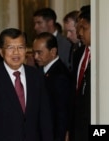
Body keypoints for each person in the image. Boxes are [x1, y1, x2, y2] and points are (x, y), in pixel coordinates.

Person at [0, 28, 53, 141]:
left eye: (20, 47)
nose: (16, 52)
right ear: (1, 52)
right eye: (10, 48)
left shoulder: (36, 76)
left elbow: (44, 116)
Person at [33, 32, 71, 141]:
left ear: (53, 52)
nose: (35, 57)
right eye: (34, 53)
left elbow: (61, 113)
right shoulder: (41, 70)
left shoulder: (60, 75)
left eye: (39, 53)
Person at [69, 5, 91, 141]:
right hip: (78, 126)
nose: (79, 33)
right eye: (79, 28)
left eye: (84, 28)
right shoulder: (78, 54)